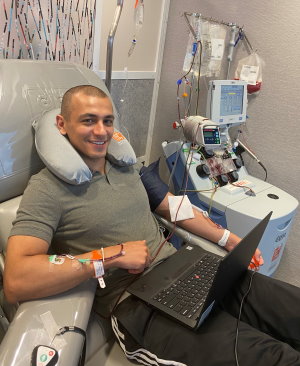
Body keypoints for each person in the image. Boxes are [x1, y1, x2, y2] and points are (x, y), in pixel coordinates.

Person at [3, 85, 300, 366]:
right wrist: (112, 256)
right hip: (137, 305)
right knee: (275, 358)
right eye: (88, 120)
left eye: (108, 121)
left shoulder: (126, 166)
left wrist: (228, 239)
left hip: (186, 268)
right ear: (61, 124)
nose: (101, 131)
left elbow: (173, 207)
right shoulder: (46, 189)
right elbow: (16, 279)